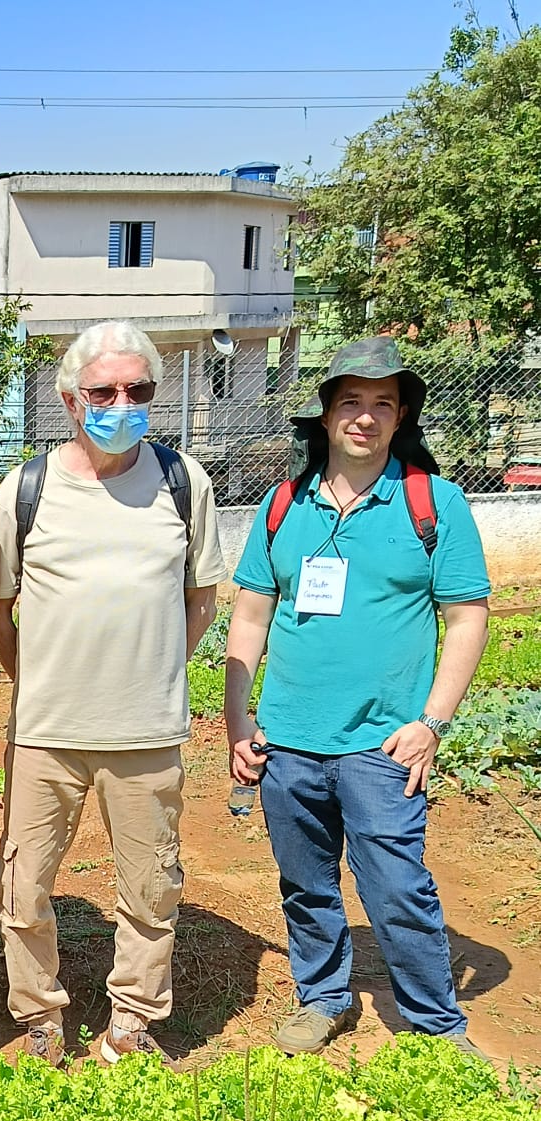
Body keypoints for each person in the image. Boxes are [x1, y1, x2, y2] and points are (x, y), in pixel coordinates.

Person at [225, 337, 491, 1056]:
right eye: (351, 403)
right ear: (325, 415)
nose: (366, 418)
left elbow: (467, 617)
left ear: (401, 416)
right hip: (287, 741)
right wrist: (238, 722)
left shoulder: (433, 503)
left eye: (382, 404)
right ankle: (322, 998)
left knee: (398, 891)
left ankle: (436, 1026)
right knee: (306, 885)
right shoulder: (286, 505)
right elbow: (249, 618)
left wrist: (432, 722)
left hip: (383, 745)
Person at [0, 320, 227, 1064]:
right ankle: (39, 1018)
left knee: (152, 887)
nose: (120, 403)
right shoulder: (26, 488)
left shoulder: (183, 482)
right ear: (69, 398)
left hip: (147, 732)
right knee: (23, 885)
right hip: (45, 731)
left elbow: (201, 601)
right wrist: (37, 675)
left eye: (137, 390)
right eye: (103, 391)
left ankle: (131, 1022)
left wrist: (153, 669)